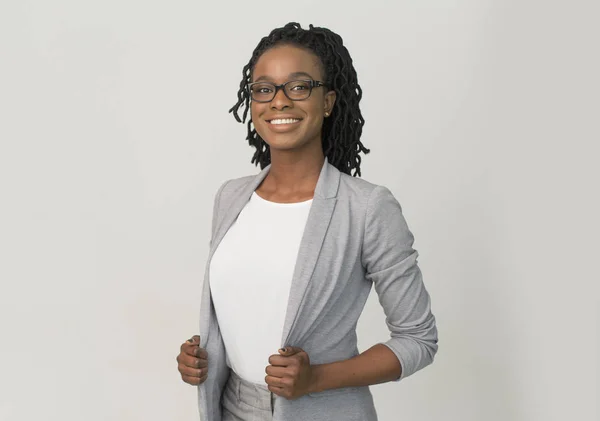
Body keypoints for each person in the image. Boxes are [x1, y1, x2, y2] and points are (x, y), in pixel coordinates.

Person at [176, 22, 438, 421]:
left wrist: (315, 378)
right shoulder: (231, 197)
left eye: (298, 87)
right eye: (264, 89)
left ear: (328, 101)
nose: (278, 102)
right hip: (230, 407)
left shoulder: (367, 207)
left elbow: (418, 339)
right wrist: (202, 356)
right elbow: (243, 310)